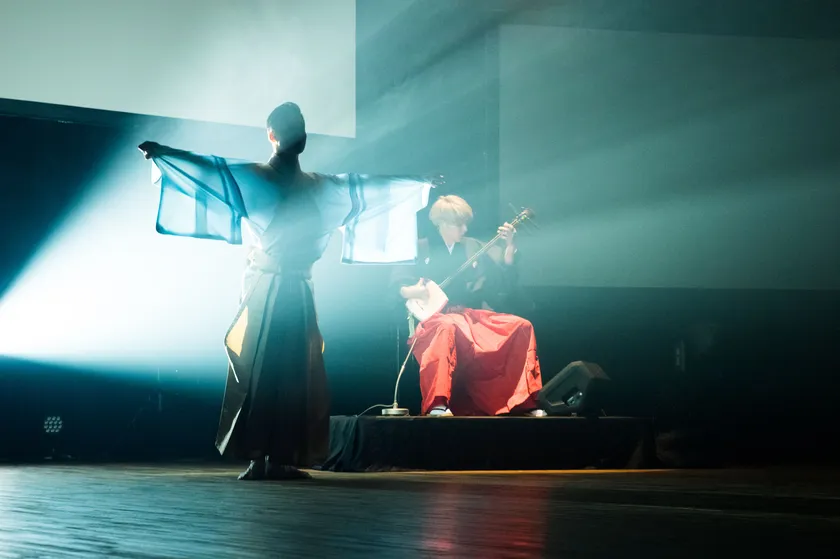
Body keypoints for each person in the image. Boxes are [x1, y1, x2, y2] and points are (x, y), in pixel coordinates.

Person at [139, 102, 437, 480]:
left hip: (295, 291)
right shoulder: (266, 178)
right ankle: (259, 457)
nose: (299, 135)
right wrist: (166, 155)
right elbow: (211, 170)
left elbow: (367, 189)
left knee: (294, 375)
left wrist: (417, 183)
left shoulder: (315, 184)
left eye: (301, 128)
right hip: (268, 288)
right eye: (293, 129)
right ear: (274, 136)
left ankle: (279, 457)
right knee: (263, 372)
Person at [394, 195, 544, 417]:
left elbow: (502, 281)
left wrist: (509, 246)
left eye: (466, 224)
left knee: (521, 326)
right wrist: (415, 291)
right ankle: (437, 404)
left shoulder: (473, 247)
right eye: (459, 224)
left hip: (467, 315)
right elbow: (399, 285)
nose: (464, 229)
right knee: (446, 327)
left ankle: (522, 402)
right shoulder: (420, 247)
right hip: (434, 319)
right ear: (442, 223)